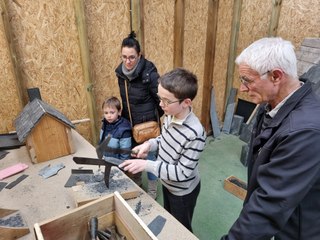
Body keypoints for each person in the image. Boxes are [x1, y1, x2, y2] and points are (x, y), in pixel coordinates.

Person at [221, 37, 320, 239]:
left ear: (276, 76)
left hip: (298, 229)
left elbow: (269, 205)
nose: (242, 89)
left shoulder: (305, 131)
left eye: (247, 81)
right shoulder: (274, 104)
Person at [119, 68, 207, 232]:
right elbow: (164, 139)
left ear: (186, 102)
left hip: (182, 193)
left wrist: (147, 165)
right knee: (170, 221)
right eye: (160, 98)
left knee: (182, 230)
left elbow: (182, 173)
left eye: (166, 101)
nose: (160, 104)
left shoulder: (195, 133)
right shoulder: (170, 115)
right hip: (166, 182)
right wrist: (149, 144)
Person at [115, 31, 164, 199]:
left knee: (149, 159)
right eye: (124, 57)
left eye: (132, 57)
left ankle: (152, 188)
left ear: (139, 55)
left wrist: (151, 119)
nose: (128, 61)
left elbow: (161, 100)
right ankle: (136, 183)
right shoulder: (121, 74)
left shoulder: (149, 72)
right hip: (130, 124)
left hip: (147, 127)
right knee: (133, 154)